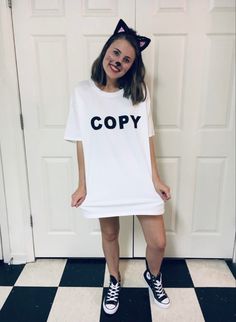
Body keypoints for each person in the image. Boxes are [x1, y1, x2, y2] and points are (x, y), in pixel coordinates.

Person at [64, 19, 171, 315]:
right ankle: (114, 278)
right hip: (104, 178)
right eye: (115, 53)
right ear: (105, 51)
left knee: (158, 242)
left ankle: (154, 275)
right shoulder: (82, 93)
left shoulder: (138, 91)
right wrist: (82, 184)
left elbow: (147, 136)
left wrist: (156, 178)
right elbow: (80, 140)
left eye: (126, 59)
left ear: (132, 66)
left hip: (138, 178)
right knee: (110, 235)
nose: (118, 62)